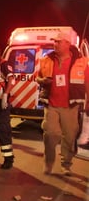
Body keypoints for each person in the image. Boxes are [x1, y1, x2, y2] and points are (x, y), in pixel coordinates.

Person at [36, 32, 89, 175]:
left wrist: (88, 102)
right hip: (51, 104)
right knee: (50, 134)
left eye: (59, 42)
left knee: (70, 136)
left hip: (71, 107)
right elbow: (37, 77)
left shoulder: (81, 61)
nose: (55, 44)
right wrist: (42, 81)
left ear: (68, 44)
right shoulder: (46, 59)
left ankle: (66, 164)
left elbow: (87, 83)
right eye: (55, 41)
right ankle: (49, 162)